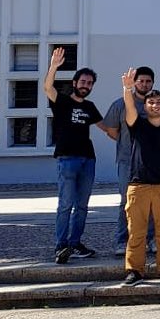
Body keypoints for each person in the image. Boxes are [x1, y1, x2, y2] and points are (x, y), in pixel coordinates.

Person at [119, 69, 160, 286]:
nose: (155, 105)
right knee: (136, 232)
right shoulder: (138, 125)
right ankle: (134, 271)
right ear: (145, 107)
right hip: (138, 186)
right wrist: (128, 89)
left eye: (159, 102)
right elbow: (129, 108)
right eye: (151, 102)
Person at [102, 65, 160, 257]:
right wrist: (131, 145)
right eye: (141, 80)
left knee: (152, 202)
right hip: (127, 161)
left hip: (155, 162)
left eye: (148, 81)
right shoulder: (121, 104)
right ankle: (122, 240)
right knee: (127, 201)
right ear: (135, 82)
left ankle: (151, 238)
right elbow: (111, 130)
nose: (144, 84)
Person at [43, 46, 103, 264]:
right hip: (67, 158)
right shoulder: (62, 101)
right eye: (83, 82)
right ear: (75, 83)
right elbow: (47, 87)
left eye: (89, 83)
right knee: (66, 204)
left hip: (88, 159)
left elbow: (105, 127)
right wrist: (54, 67)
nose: (86, 86)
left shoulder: (90, 106)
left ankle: (75, 243)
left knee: (83, 205)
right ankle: (61, 246)